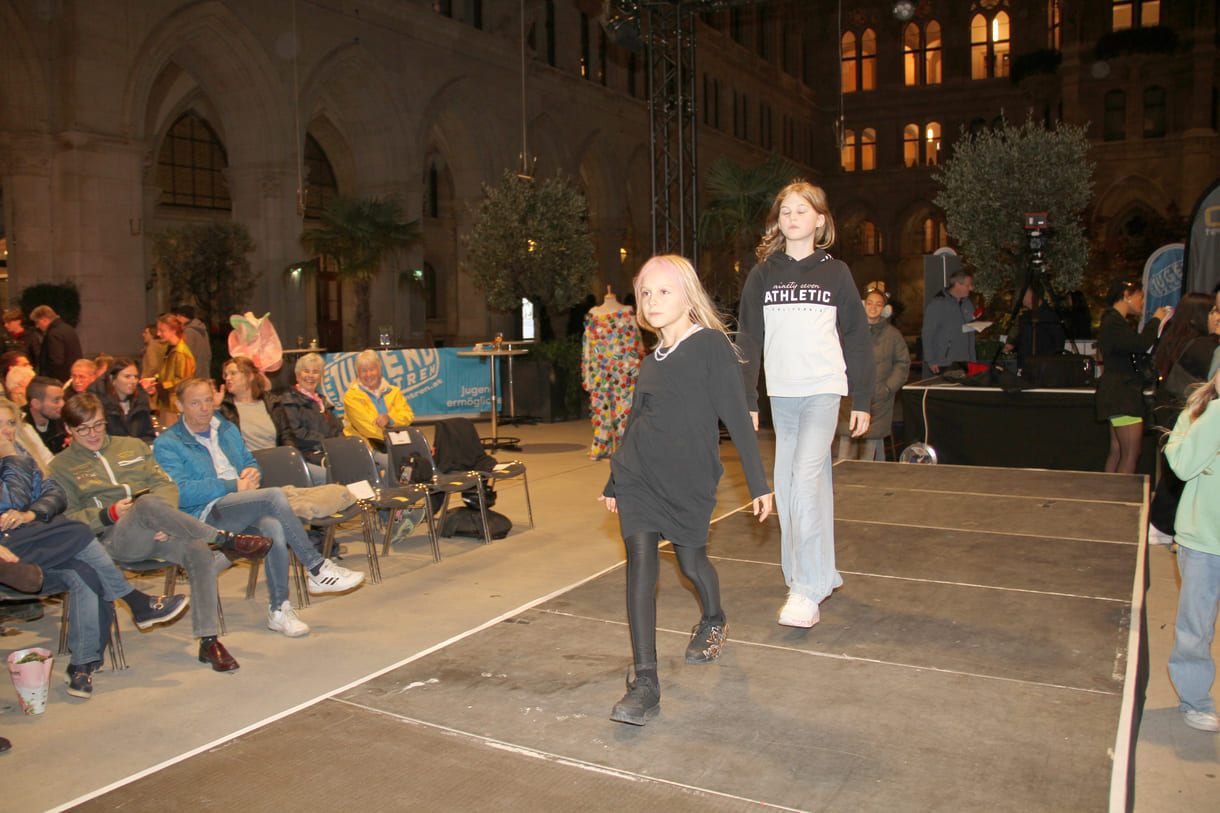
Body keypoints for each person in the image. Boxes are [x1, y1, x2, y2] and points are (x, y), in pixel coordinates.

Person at [599, 255, 772, 726]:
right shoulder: (648, 361)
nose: (652, 301)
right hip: (640, 475)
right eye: (646, 293)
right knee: (640, 563)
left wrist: (758, 483)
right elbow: (635, 421)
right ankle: (646, 681)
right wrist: (615, 479)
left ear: (687, 294)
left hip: (690, 479)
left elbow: (737, 416)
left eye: (663, 291)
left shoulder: (712, 345)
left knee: (692, 562)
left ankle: (714, 618)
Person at [51, 393, 273, 672]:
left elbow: (165, 484)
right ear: (70, 430)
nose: (93, 434)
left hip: (159, 529)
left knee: (196, 550)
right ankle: (224, 539)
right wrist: (108, 514)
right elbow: (68, 519)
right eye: (83, 429)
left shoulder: (131, 446)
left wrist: (164, 519)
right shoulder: (59, 467)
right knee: (146, 504)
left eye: (98, 425)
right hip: (113, 539)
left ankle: (208, 640)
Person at [738, 180, 873, 629]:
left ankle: (805, 590)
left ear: (820, 220)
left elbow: (856, 335)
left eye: (802, 210)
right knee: (793, 483)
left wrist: (862, 397)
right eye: (786, 211)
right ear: (778, 221)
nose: (792, 218)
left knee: (805, 477)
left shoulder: (837, 273)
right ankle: (811, 573)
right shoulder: (763, 274)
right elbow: (749, 339)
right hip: (782, 392)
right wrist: (748, 397)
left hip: (823, 389)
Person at [0, 398, 186, 697]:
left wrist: (31, 514)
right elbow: (11, 499)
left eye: (10, 424)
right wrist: (10, 457)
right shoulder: (16, 458)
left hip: (35, 538)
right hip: (8, 547)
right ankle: (134, 600)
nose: (6, 432)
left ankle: (82, 665)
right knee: (78, 530)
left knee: (85, 570)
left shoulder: (22, 456)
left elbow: (53, 496)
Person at [154, 378, 366, 637]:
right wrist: (233, 485)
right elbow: (181, 491)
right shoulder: (168, 442)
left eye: (208, 400)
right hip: (203, 514)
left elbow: (249, 461)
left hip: (239, 505)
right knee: (273, 497)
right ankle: (316, 568)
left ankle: (280, 610)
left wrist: (253, 471)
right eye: (195, 403)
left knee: (273, 527)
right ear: (179, 406)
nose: (204, 408)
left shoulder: (226, 428)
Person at [1163, 367, 1220, 733]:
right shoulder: (1197, 415)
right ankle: (1195, 700)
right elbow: (1182, 466)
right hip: (1203, 542)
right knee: (1195, 630)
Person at [1096, 280, 1167, 474]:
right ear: (1127, 294)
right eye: (1141, 297)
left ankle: (1110, 497)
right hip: (1122, 394)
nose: (1143, 303)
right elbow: (1140, 344)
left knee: (1118, 451)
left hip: (1117, 392)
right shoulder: (1114, 322)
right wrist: (1157, 321)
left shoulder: (1113, 322)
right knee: (1130, 454)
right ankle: (1119, 499)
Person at [837, 284, 910, 461]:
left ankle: (874, 479)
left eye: (878, 304)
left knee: (873, 442)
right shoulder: (850, 332)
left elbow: (903, 363)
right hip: (850, 396)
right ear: (864, 305)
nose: (873, 307)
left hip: (879, 398)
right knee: (846, 442)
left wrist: (887, 388)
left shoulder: (893, 336)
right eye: (870, 303)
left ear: (885, 309)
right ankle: (842, 478)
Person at [279, 352, 344, 485]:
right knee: (337, 470)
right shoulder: (288, 401)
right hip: (305, 454)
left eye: (315, 372)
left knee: (356, 461)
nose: (310, 376)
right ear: (297, 375)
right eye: (306, 371)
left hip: (328, 450)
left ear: (320, 377)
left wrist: (342, 445)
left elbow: (336, 429)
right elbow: (297, 433)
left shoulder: (323, 402)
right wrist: (327, 443)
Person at [343, 349, 414, 471]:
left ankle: (404, 487)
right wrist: (393, 439)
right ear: (358, 373)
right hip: (368, 445)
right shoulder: (351, 396)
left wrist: (390, 419)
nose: (369, 374)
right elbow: (367, 428)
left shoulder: (393, 391)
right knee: (397, 464)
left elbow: (408, 416)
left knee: (416, 462)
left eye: (372, 369)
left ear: (379, 370)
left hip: (395, 442)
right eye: (363, 371)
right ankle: (393, 488)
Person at [216, 356, 296, 454]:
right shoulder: (224, 407)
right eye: (225, 375)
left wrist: (288, 456)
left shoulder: (271, 402)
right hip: (248, 463)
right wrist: (215, 408)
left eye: (233, 373)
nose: (227, 378)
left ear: (250, 376)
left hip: (277, 459)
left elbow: (286, 435)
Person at [143, 313, 195, 428]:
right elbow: (167, 373)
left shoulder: (180, 353)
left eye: (162, 330)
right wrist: (154, 381)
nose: (158, 334)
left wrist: (159, 386)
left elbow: (182, 382)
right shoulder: (170, 349)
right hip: (168, 405)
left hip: (175, 407)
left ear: (173, 330)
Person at [921, 269, 978, 375]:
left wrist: (973, 360)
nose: (971, 288)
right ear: (957, 285)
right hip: (946, 362)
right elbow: (928, 334)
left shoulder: (967, 304)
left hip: (966, 361)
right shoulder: (938, 304)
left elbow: (970, 333)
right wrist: (931, 360)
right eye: (968, 285)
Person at [88, 357, 156, 444]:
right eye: (127, 377)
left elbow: (148, 434)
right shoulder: (97, 402)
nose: (133, 381)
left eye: (135, 377)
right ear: (112, 379)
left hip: (136, 451)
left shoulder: (140, 399)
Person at [1003, 285, 1067, 371]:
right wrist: (1012, 346)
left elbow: (1058, 342)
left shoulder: (1050, 316)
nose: (1019, 300)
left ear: (1030, 295)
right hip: (1027, 366)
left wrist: (1050, 362)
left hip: (1042, 367)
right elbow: (1023, 338)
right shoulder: (1027, 316)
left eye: (1021, 296)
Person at [30, 305, 82, 384]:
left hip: (59, 380)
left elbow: (56, 361)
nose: (37, 326)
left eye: (37, 322)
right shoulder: (68, 328)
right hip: (70, 375)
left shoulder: (53, 333)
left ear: (44, 319)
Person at [24, 376, 67, 454]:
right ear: (36, 404)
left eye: (62, 399)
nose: (62, 404)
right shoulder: (20, 427)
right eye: (56, 401)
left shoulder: (63, 423)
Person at [174, 305, 212, 381]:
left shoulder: (188, 332)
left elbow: (187, 355)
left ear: (180, 316)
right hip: (203, 370)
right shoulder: (201, 329)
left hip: (194, 375)